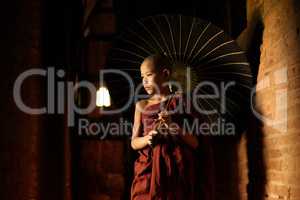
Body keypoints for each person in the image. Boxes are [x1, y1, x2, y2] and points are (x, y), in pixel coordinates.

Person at [130, 54, 214, 200]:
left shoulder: (182, 101)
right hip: (147, 172)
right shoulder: (141, 105)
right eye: (142, 77)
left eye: (149, 75)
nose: (145, 81)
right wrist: (148, 139)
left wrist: (172, 125)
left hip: (176, 171)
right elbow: (134, 142)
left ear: (165, 74)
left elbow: (195, 143)